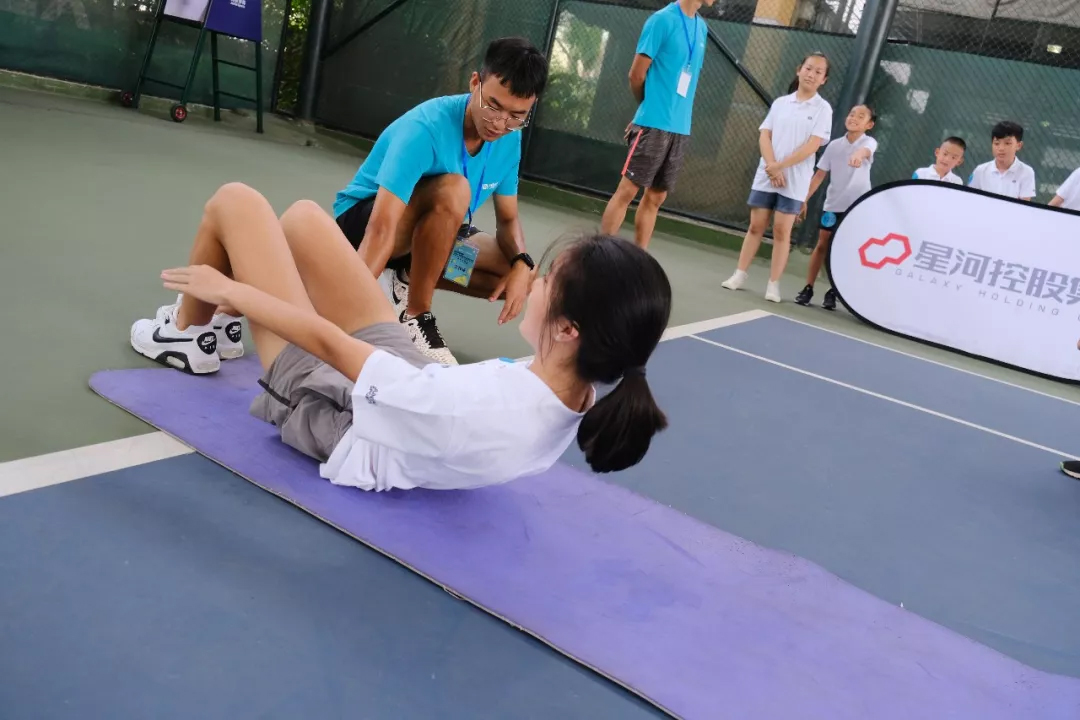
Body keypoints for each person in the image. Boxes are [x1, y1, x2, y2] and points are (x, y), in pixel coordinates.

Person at [129, 184, 673, 491]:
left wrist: (237, 292)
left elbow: (331, 346)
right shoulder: (578, 392)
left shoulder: (482, 406)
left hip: (346, 422)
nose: (535, 283)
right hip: (412, 387)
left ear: (570, 329)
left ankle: (186, 333)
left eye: (548, 281)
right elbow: (428, 390)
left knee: (236, 203)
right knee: (303, 220)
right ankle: (220, 306)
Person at [332, 37, 550, 366]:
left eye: (516, 115)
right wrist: (347, 319)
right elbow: (380, 228)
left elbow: (507, 220)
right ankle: (415, 315)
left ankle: (402, 280)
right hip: (364, 227)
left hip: (429, 238)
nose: (500, 122)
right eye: (493, 106)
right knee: (455, 189)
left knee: (517, 276)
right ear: (475, 82)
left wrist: (522, 262)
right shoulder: (425, 127)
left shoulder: (510, 139)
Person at [600, 0, 716, 250]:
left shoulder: (702, 28)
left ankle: (639, 258)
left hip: (680, 128)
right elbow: (636, 74)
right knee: (628, 191)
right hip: (653, 124)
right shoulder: (661, 20)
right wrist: (648, 109)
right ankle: (599, 253)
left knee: (656, 196)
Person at [721, 52, 832, 303]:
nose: (811, 74)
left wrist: (780, 167)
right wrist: (772, 167)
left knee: (782, 230)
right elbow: (765, 135)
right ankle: (739, 274)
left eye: (818, 72)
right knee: (756, 226)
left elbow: (813, 145)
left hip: (795, 180)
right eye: (808, 68)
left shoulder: (823, 109)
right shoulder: (781, 103)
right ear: (799, 69)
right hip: (767, 175)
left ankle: (773, 284)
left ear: (824, 79)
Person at [794, 104, 877, 310]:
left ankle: (834, 291)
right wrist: (804, 199)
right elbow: (819, 175)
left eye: (861, 116)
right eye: (852, 114)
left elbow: (865, 151)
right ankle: (808, 288)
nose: (854, 118)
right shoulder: (834, 146)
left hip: (858, 207)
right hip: (833, 204)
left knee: (845, 249)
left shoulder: (869, 142)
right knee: (822, 244)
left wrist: (858, 155)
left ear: (869, 124)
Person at [968, 121, 1036, 201]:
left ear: (1019, 145)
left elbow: (1024, 205)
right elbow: (971, 199)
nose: (1001, 148)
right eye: (996, 143)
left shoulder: (1026, 172)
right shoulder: (980, 170)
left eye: (1007, 143)